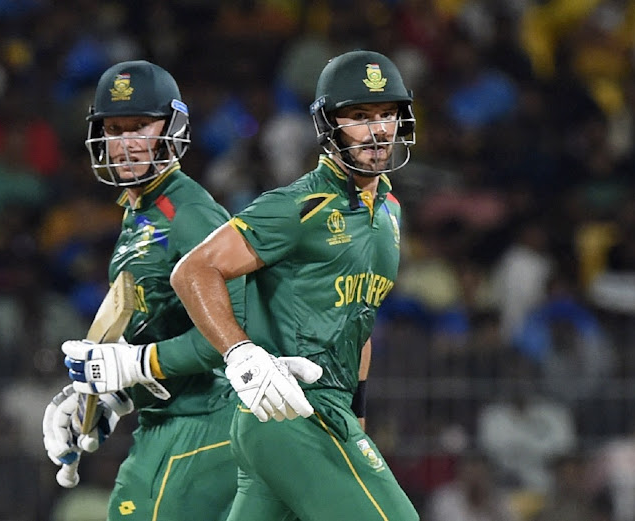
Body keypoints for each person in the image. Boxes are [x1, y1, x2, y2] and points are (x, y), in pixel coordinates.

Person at [169, 49, 421, 520]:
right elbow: (192, 271)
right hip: (292, 411)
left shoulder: (389, 211)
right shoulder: (300, 205)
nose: (379, 129)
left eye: (388, 114)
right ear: (329, 125)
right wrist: (241, 355)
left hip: (319, 414)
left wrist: (357, 418)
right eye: (360, 116)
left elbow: (358, 318)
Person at [42, 60, 250, 521]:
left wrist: (133, 365)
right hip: (169, 423)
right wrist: (106, 396)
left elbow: (237, 338)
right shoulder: (139, 213)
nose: (126, 143)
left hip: (208, 422)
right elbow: (157, 328)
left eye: (140, 126)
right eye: (114, 128)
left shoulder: (189, 213)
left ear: (172, 129)